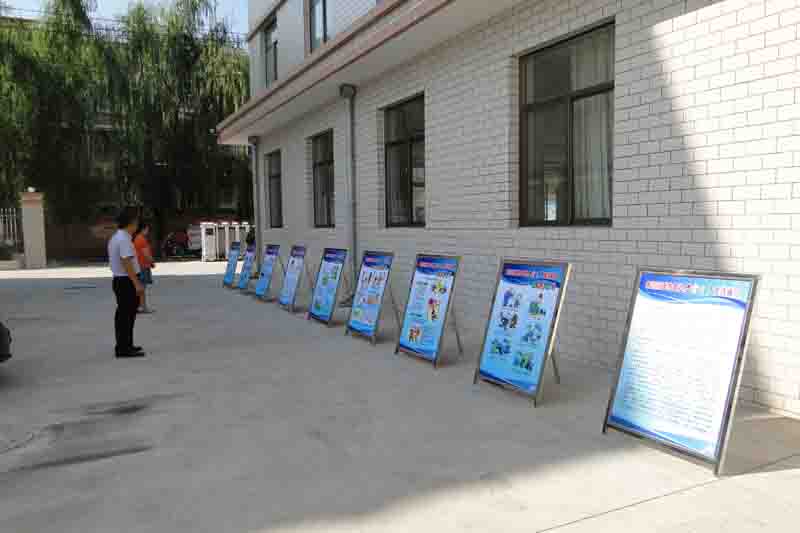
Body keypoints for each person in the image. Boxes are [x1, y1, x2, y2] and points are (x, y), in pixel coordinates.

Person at [108, 208, 145, 358]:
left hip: (121, 280)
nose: (137, 224)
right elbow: (126, 262)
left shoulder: (118, 237)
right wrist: (136, 283)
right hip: (126, 281)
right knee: (126, 316)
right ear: (131, 223)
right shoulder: (123, 239)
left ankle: (126, 344)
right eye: (136, 221)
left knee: (125, 315)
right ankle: (124, 348)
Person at [133, 222, 156, 313]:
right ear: (143, 229)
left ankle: (138, 306)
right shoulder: (141, 239)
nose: (148, 231)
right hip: (143, 266)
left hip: (139, 265)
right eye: (147, 229)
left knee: (139, 288)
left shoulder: (136, 238)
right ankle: (143, 307)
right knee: (142, 288)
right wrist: (152, 262)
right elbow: (145, 254)